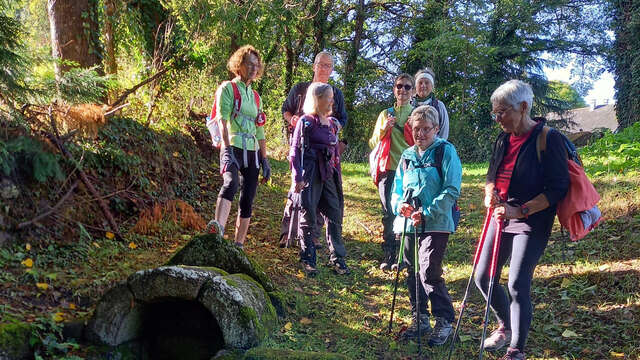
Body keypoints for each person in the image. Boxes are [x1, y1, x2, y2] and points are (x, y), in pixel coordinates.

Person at [475, 80, 569, 360]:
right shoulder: (503, 138)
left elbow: (557, 188)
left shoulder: (549, 139)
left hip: (532, 220)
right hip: (500, 214)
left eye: (502, 111)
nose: (498, 118)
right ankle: (505, 324)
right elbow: (492, 174)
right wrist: (489, 193)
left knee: (517, 283)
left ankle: (517, 348)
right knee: (482, 277)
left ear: (524, 107)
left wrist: (521, 211)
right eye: (495, 112)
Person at [390, 105, 462, 346]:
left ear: (436, 129)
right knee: (412, 272)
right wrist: (399, 205)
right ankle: (420, 317)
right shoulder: (407, 155)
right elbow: (396, 189)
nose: (420, 134)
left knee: (429, 271)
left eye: (425, 129)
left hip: (437, 223)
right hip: (408, 223)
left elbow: (452, 189)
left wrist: (428, 213)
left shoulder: (445, 151)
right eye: (416, 129)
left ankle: (444, 320)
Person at [279, 51, 348, 249]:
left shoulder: (335, 93)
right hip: (301, 148)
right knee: (297, 189)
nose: (324, 69)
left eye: (328, 66)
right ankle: (288, 232)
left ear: (332, 70)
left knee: (321, 191)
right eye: (321, 64)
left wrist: (332, 128)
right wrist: (293, 119)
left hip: (325, 152)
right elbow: (286, 109)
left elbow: (342, 118)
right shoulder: (300, 89)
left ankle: (312, 235)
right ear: (314, 66)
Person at [206, 45, 271, 249]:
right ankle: (217, 232)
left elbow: (259, 129)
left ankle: (238, 245)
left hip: (252, 151)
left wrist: (265, 158)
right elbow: (222, 120)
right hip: (233, 145)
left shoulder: (257, 97)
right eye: (249, 64)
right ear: (239, 65)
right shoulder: (227, 88)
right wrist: (226, 149)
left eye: (256, 64)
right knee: (231, 183)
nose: (253, 68)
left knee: (248, 197)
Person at [290, 82, 349, 276]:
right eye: (329, 97)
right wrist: (297, 177)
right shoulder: (305, 122)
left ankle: (338, 259)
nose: (332, 101)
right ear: (318, 99)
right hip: (310, 172)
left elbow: (335, 153)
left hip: (329, 174)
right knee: (308, 214)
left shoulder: (332, 123)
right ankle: (308, 259)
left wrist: (337, 175)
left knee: (334, 213)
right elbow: (295, 151)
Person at [368, 73, 415, 270]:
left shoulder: (417, 114)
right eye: (399, 86)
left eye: (406, 87)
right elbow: (372, 142)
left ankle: (404, 257)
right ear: (394, 89)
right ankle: (389, 253)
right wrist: (384, 129)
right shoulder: (385, 114)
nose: (402, 90)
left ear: (412, 91)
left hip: (409, 169)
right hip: (387, 168)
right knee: (388, 212)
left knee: (406, 211)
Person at [412, 68, 450, 140]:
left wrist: (438, 146)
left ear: (432, 86)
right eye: (420, 83)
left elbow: (444, 129)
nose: (423, 85)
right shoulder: (409, 105)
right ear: (416, 87)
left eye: (426, 83)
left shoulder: (439, 105)